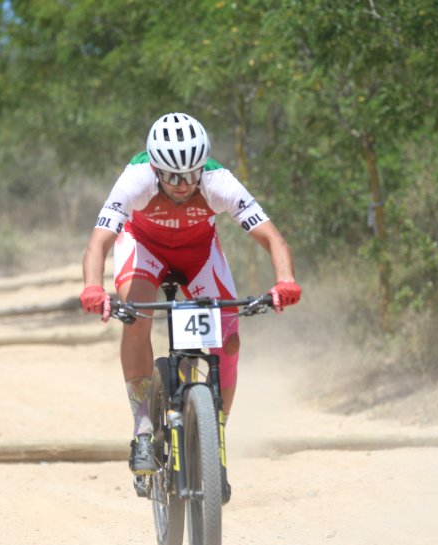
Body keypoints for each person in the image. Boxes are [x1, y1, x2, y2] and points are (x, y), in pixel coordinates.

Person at [80, 112, 301, 476]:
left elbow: (271, 237)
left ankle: (215, 434)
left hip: (198, 254)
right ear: (155, 168)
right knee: (137, 318)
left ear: (202, 167)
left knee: (228, 340)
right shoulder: (135, 179)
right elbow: (98, 243)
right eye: (171, 176)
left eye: (190, 175)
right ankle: (142, 430)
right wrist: (92, 287)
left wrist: (285, 280)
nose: (182, 184)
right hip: (144, 248)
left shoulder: (218, 181)